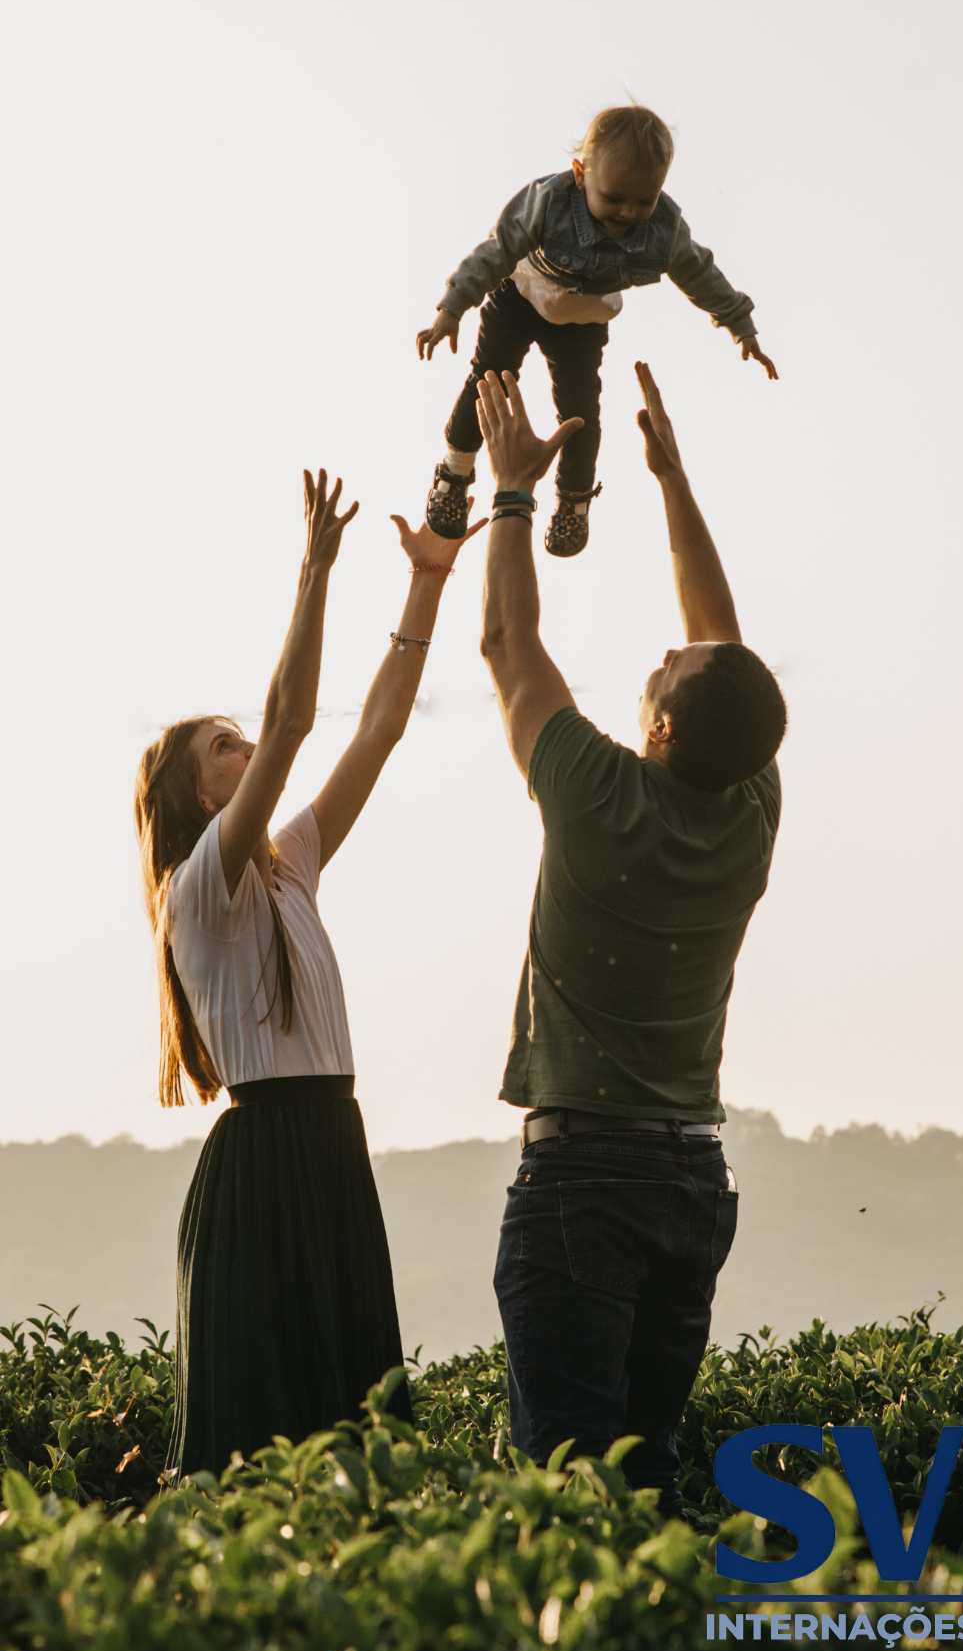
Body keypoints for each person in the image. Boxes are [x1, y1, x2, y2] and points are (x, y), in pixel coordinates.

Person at [475, 364, 786, 1517]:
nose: (664, 652)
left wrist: (514, 492)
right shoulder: (750, 807)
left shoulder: (597, 794)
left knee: (568, 1497)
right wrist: (671, 481)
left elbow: (507, 642)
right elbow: (724, 652)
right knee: (647, 1487)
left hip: (586, 1180)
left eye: (665, 671)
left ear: (657, 727)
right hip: (692, 1180)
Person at [133, 470, 483, 1478]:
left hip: (331, 1147)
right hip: (265, 1168)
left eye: (240, 738)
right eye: (224, 747)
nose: (248, 748)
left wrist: (427, 581)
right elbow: (293, 723)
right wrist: (315, 571)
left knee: (357, 1437)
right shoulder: (200, 885)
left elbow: (378, 729)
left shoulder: (288, 865)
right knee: (262, 1450)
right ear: (194, 794)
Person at [417, 104, 777, 559]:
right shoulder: (549, 200)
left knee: (580, 410)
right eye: (614, 198)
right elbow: (499, 249)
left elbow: (700, 274)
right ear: (581, 174)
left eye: (644, 201)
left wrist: (740, 325)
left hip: (582, 321)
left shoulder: (663, 231)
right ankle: (455, 470)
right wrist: (453, 306)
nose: (628, 212)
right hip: (520, 295)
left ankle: (574, 499)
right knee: (489, 379)